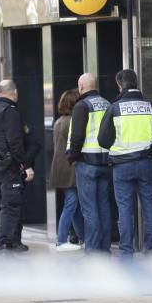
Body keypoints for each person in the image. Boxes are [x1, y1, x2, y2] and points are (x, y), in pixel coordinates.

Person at [98, 68, 152, 257]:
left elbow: (103, 140)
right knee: (149, 205)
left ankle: (126, 251)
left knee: (125, 209)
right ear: (136, 82)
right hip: (145, 163)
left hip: (122, 166)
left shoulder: (114, 108)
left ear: (119, 85)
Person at [0, 79, 34, 252]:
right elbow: (15, 141)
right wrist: (26, 165)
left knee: (3, 204)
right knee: (10, 206)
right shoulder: (10, 111)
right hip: (8, 164)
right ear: (15, 92)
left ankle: (8, 241)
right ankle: (5, 244)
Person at [65, 73, 113, 253]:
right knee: (103, 207)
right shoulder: (108, 104)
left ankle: (93, 253)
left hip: (86, 163)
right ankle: (104, 250)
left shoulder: (81, 106)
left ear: (82, 87)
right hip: (105, 163)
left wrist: (72, 157)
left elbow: (77, 136)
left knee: (89, 209)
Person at [51, 89, 84, 251]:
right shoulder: (72, 121)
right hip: (70, 167)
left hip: (60, 167)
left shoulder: (59, 121)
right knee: (71, 204)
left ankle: (83, 238)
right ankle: (61, 240)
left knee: (74, 205)